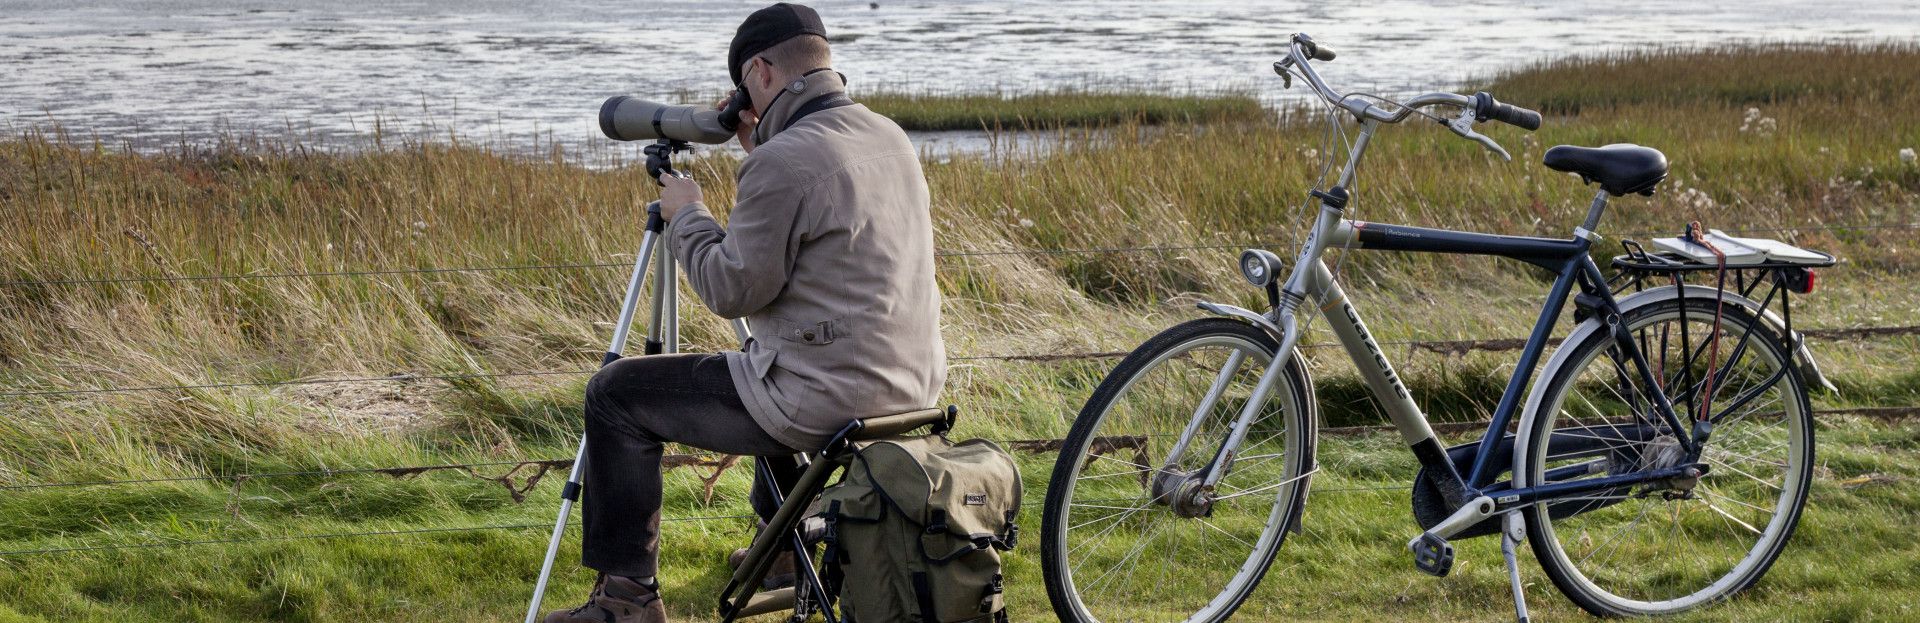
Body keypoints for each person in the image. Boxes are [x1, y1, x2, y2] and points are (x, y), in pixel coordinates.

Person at [543, 3, 945, 622]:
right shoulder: (889, 137)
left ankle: (626, 603)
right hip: (910, 388)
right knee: (759, 363)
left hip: (826, 399)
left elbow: (730, 290)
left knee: (615, 395)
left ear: (759, 70)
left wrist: (688, 214)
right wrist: (765, 146)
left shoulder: (782, 163)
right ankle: (786, 548)